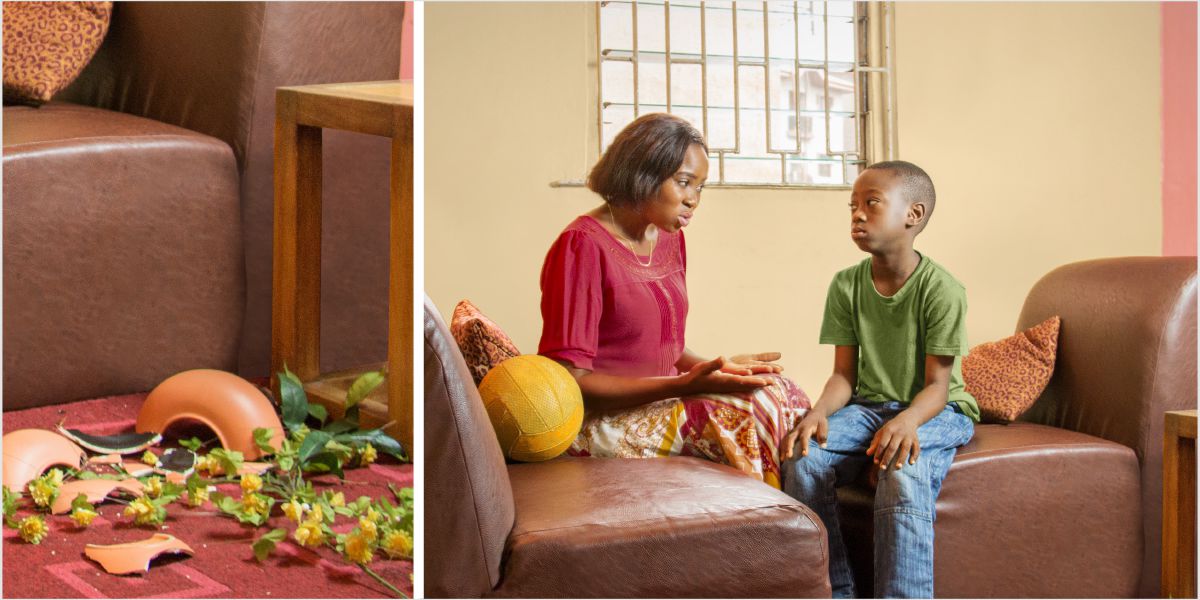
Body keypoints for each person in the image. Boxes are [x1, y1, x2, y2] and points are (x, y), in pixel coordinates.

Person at [538, 112, 810, 487]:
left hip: (665, 400)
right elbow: (571, 381)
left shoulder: (668, 238)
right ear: (642, 174)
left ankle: (804, 533)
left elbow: (669, 349)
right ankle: (766, 540)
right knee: (750, 414)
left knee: (779, 392)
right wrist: (685, 386)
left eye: (700, 187)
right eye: (683, 183)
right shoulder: (582, 246)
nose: (693, 199)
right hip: (603, 422)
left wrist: (721, 369)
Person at [780, 160, 978, 598]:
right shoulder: (846, 285)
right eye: (852, 205)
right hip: (870, 407)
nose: (857, 214)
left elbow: (938, 387)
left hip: (936, 411)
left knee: (900, 467)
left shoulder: (942, 289)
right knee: (803, 455)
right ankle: (835, 591)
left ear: (914, 215)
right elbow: (843, 376)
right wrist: (816, 413)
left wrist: (906, 422)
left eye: (872, 204)